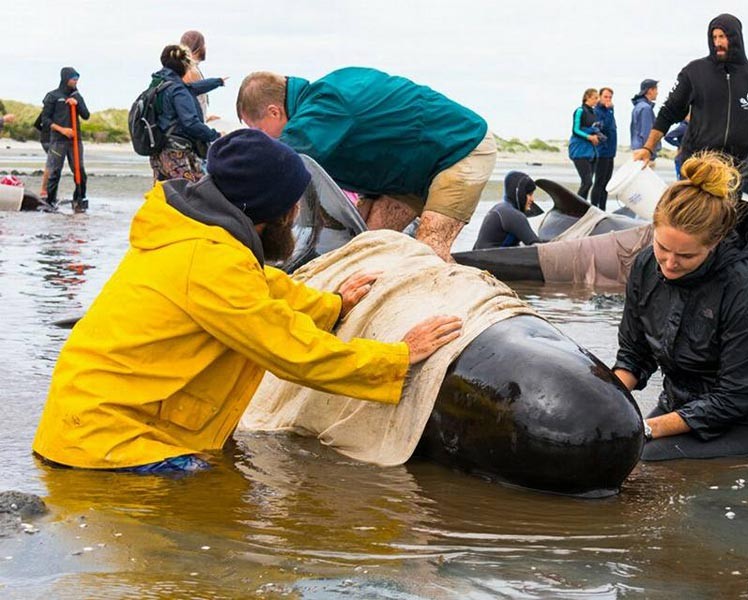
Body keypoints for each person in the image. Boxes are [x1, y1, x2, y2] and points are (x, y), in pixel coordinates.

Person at [32, 129, 463, 472]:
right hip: (109, 447)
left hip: (86, 429)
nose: (296, 215)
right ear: (269, 209)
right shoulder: (210, 261)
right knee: (223, 537)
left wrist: (331, 305)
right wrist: (398, 360)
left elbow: (263, 285)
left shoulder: (197, 236)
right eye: (293, 206)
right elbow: (293, 352)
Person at [613, 152, 748, 461]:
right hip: (681, 406)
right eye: (662, 248)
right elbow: (634, 354)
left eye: (686, 257)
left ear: (715, 243)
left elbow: (736, 395)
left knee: (640, 459)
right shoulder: (646, 265)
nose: (670, 264)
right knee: (608, 448)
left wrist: (644, 428)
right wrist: (603, 402)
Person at [236, 68, 497, 262]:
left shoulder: (326, 104)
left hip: (460, 147)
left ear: (274, 112)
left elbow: (275, 158)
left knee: (428, 249)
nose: (260, 137)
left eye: (256, 130)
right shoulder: (317, 106)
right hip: (408, 173)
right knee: (367, 247)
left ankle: (455, 318)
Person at [634, 14, 748, 191]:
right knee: (692, 217)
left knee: (726, 218)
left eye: (723, 37)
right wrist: (648, 148)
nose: (717, 43)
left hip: (732, 167)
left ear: (735, 38)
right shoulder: (694, 72)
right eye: (714, 37)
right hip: (697, 163)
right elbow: (668, 112)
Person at [149, 44, 223, 182]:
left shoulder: (158, 84)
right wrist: (215, 135)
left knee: (163, 196)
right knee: (194, 194)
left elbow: (191, 88)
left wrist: (217, 82)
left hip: (158, 152)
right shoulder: (178, 90)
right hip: (178, 153)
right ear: (185, 66)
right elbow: (190, 123)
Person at [40, 67, 89, 209]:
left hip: (75, 141)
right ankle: (50, 201)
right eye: (73, 79)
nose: (76, 82)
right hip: (58, 140)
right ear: (66, 79)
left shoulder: (77, 95)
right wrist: (63, 130)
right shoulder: (53, 96)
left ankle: (79, 198)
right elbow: (45, 120)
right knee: (55, 171)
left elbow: (86, 115)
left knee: (79, 170)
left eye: (77, 79)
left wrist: (77, 103)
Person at [474, 171, 543, 249]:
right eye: (529, 194)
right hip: (491, 259)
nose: (532, 199)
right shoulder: (514, 215)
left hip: (478, 257)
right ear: (520, 193)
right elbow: (537, 247)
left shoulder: (500, 208)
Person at [568, 88, 602, 201]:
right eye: (595, 98)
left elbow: (594, 129)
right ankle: (576, 208)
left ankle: (583, 208)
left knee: (588, 183)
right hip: (579, 151)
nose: (597, 100)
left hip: (591, 152)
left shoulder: (594, 112)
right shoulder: (580, 111)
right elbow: (575, 130)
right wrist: (589, 137)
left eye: (598, 98)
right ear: (587, 97)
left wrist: (597, 136)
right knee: (587, 182)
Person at [180, 29, 220, 123]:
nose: (205, 48)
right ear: (198, 48)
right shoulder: (190, 72)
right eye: (203, 45)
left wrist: (205, 118)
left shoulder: (185, 68)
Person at [593, 87, 617, 210]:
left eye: (610, 97)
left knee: (606, 183)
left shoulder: (608, 112)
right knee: (599, 182)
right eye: (605, 97)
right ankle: (594, 208)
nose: (608, 100)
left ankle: (603, 209)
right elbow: (605, 127)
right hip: (601, 152)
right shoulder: (597, 111)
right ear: (600, 97)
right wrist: (610, 111)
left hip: (610, 152)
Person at [630, 79, 659, 163]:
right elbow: (646, 133)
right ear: (650, 90)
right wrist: (648, 152)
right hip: (644, 153)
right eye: (656, 89)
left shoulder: (638, 106)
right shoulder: (646, 108)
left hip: (638, 150)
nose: (657, 93)